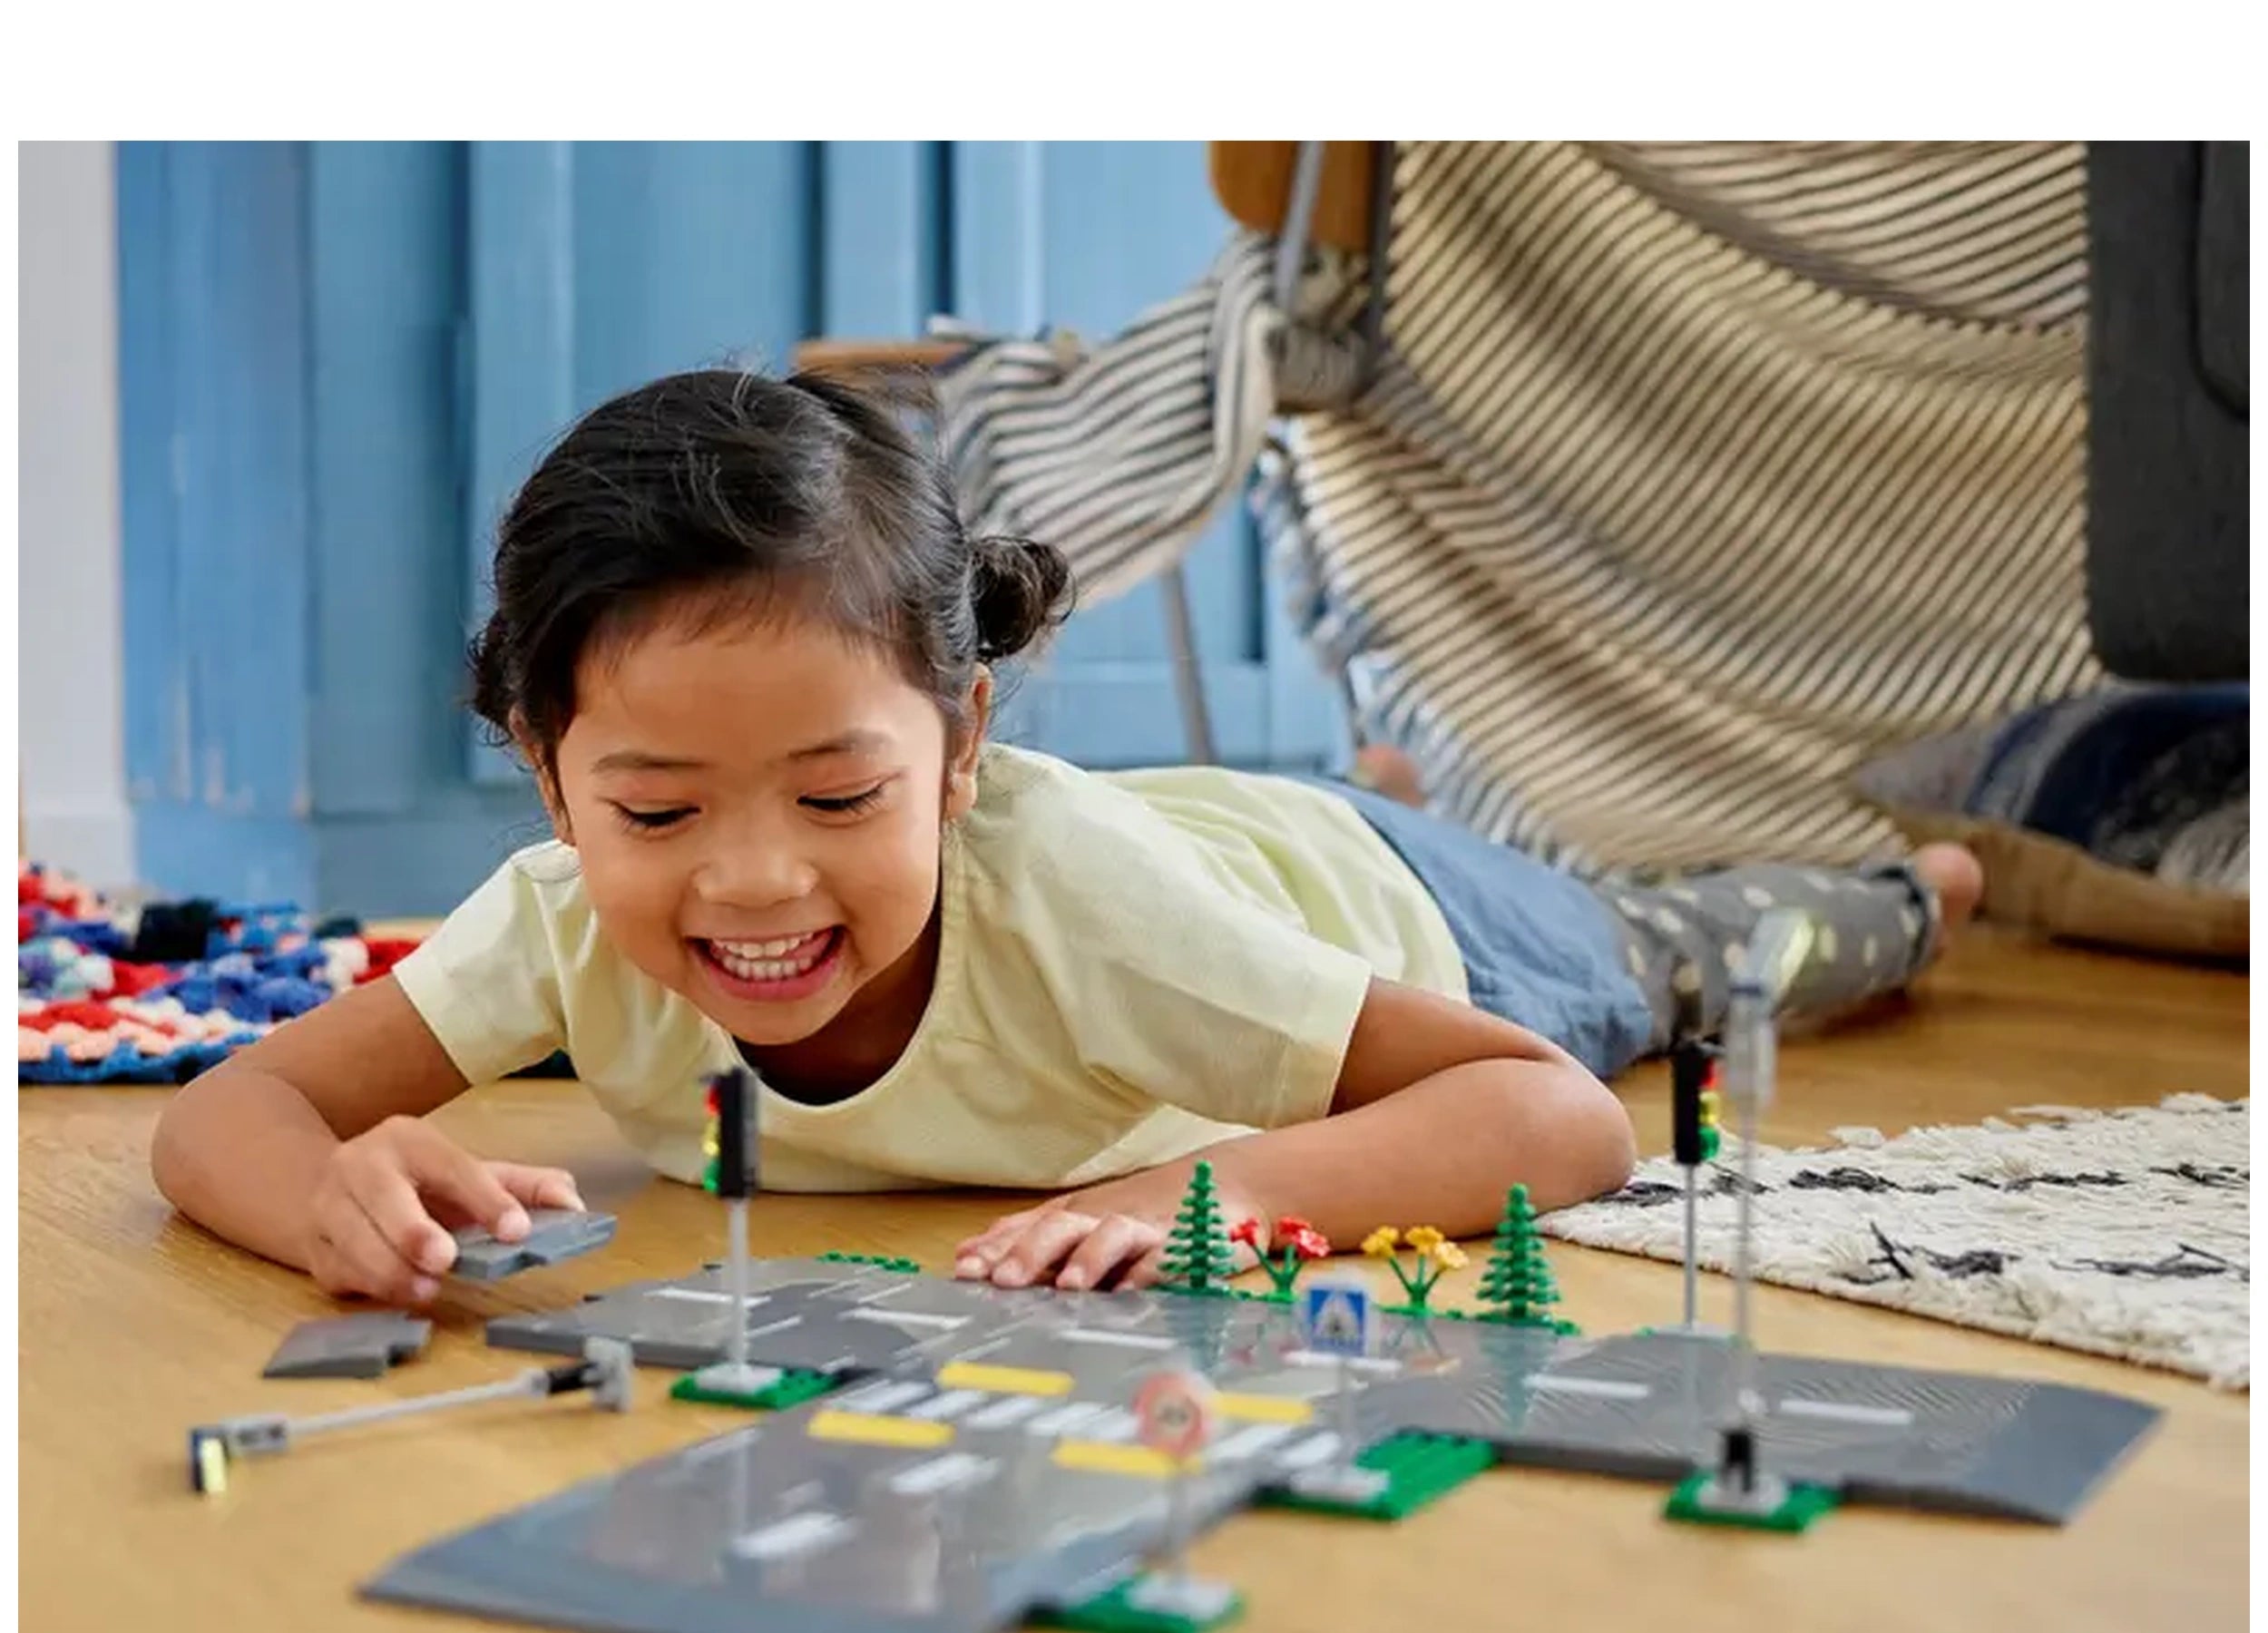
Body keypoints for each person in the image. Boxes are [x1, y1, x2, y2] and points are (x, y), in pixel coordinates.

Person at [151, 368, 1982, 1305]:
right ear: (549, 781)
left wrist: (1207, 1197)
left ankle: (1910, 888)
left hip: (1389, 913)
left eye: (838, 793)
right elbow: (221, 1112)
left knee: (1675, 966)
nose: (756, 876)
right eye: (651, 808)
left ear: (957, 748)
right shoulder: (552, 915)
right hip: (1200, 872)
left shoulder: (1083, 913)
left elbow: (1553, 1116)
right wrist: (334, 1197)